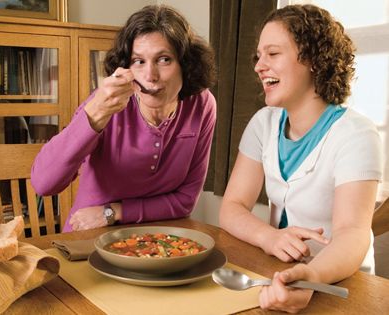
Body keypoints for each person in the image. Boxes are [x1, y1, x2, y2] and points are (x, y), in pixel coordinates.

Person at [219, 4, 382, 313]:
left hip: (343, 290)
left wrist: (313, 275)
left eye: (273, 54)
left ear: (313, 60)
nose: (259, 66)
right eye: (259, 56)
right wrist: (269, 238)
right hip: (277, 276)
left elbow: (353, 233)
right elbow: (231, 208)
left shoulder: (357, 134)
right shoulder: (263, 123)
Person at [31, 5, 216, 232]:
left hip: (161, 238)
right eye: (138, 61)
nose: (150, 76)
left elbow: (185, 201)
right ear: (125, 68)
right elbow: (44, 184)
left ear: (186, 66)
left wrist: (113, 212)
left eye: (164, 59)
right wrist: (95, 114)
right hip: (90, 238)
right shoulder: (104, 103)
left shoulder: (202, 105)